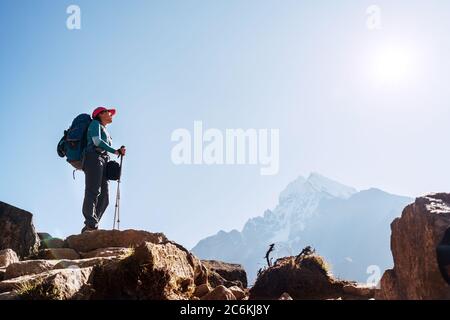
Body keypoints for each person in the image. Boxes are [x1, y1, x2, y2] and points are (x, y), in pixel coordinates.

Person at [81, 106, 126, 233]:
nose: (111, 115)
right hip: (93, 158)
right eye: (108, 112)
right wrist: (115, 151)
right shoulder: (95, 124)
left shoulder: (105, 129)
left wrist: (117, 152)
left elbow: (103, 145)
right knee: (93, 191)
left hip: (102, 161)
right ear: (100, 114)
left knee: (104, 197)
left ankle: (92, 224)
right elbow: (96, 141)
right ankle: (90, 224)